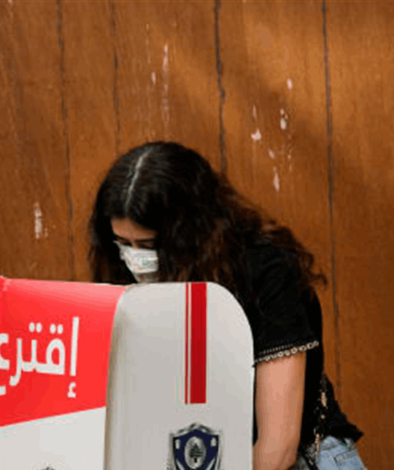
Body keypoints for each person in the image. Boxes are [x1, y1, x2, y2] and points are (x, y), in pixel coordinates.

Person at [89, 142, 365, 470]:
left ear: (192, 233)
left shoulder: (267, 271)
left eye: (149, 245)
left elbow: (278, 449)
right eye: (124, 244)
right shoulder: (131, 275)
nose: (136, 258)